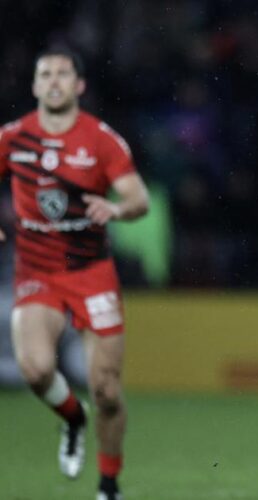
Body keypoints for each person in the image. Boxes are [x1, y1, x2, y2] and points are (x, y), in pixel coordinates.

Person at [0, 48, 149, 500]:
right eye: (45, 73)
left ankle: (108, 485)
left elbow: (139, 199)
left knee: (105, 389)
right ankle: (71, 418)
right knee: (35, 369)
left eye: (63, 73)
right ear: (34, 86)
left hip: (91, 274)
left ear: (80, 85)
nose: (54, 80)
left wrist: (117, 209)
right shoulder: (13, 137)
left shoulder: (102, 141)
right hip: (37, 272)